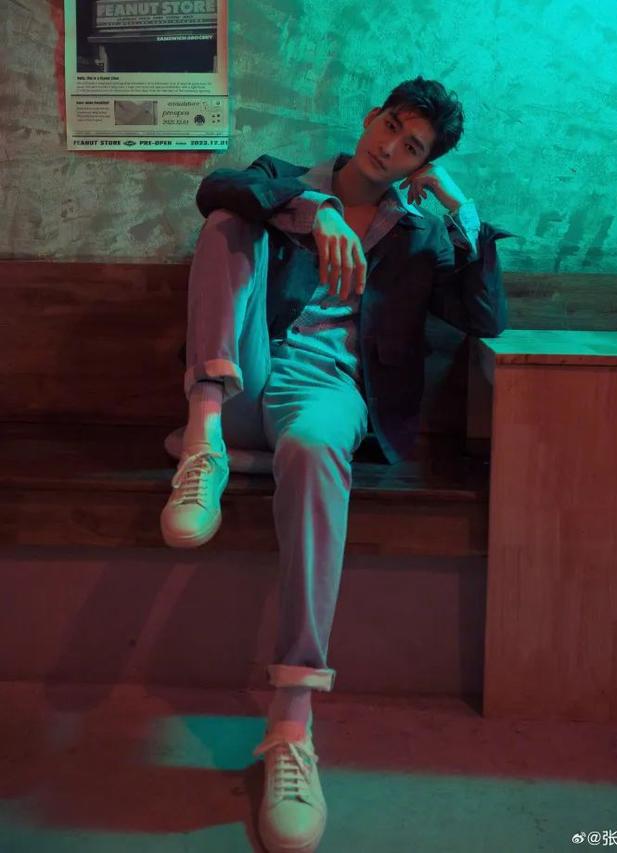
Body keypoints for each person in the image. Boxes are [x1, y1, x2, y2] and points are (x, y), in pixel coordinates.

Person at [160, 75, 514, 853]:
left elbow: (485, 315)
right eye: (391, 127)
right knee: (227, 220)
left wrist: (457, 206)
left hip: (327, 394)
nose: (390, 149)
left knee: (318, 448)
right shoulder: (283, 180)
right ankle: (206, 441)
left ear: (423, 164)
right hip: (245, 377)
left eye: (412, 148)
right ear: (369, 117)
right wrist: (316, 210)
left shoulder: (418, 235)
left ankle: (292, 724)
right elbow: (218, 187)